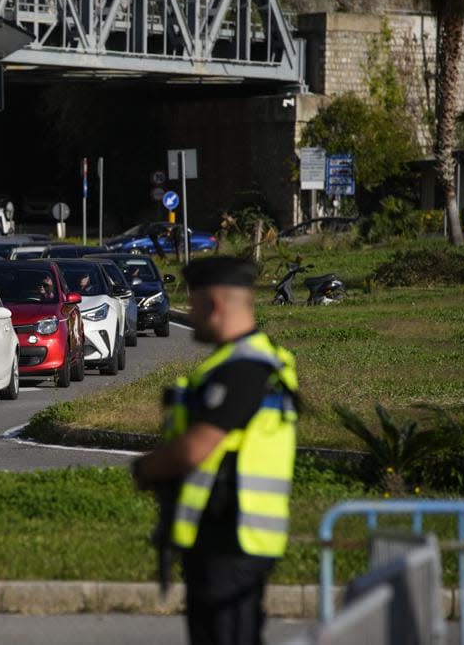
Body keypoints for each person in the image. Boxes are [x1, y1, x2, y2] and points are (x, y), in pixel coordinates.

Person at [131, 256, 299, 645]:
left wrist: (146, 469)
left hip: (233, 539)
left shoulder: (244, 368)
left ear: (215, 305)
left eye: (194, 303)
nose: (189, 314)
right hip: (226, 539)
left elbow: (198, 447)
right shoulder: (242, 360)